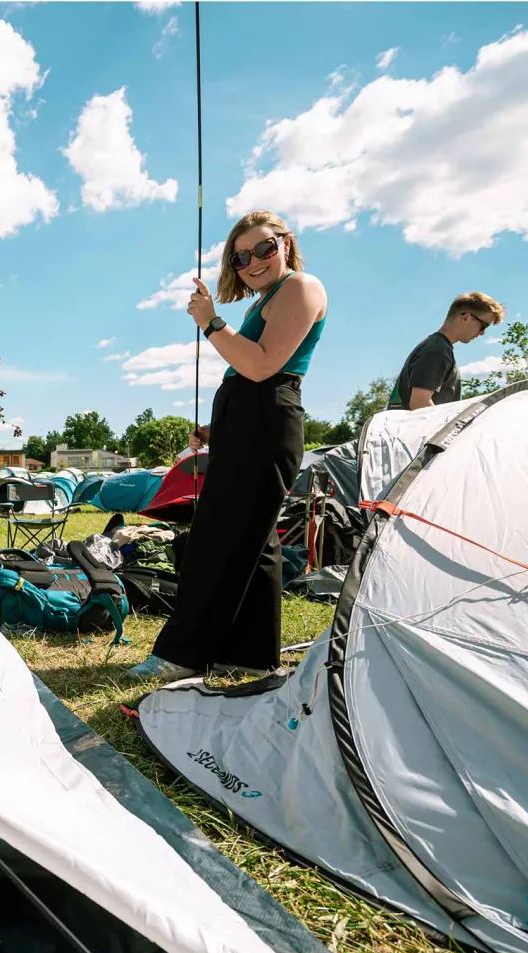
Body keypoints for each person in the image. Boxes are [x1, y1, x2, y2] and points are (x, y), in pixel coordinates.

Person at [130, 209, 328, 681]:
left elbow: (263, 368)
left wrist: (211, 322)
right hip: (251, 418)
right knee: (254, 543)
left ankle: (183, 654)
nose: (253, 261)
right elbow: (252, 374)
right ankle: (249, 653)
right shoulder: (264, 301)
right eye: (240, 257)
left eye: (263, 247)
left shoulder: (301, 287)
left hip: (266, 413)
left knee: (217, 538)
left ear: (285, 243)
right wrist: (221, 428)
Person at [388, 292, 503, 411]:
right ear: (466, 317)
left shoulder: (434, 346)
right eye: (484, 326)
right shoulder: (437, 350)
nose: (482, 333)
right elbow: (419, 403)